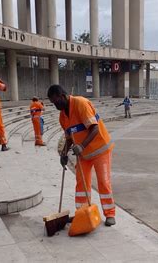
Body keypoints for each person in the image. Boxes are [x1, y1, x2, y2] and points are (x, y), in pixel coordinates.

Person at [47, 85, 116, 226]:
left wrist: (82, 145)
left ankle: (110, 214)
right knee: (81, 184)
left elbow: (94, 128)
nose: (55, 105)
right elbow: (69, 138)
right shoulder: (63, 116)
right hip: (83, 154)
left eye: (56, 102)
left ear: (62, 95)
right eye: (52, 103)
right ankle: (82, 213)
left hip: (99, 150)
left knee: (103, 182)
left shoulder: (81, 103)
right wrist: (64, 153)